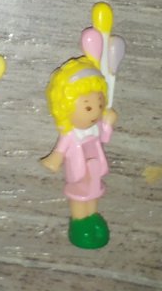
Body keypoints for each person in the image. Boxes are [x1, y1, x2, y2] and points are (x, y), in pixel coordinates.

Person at [41, 54, 118, 250]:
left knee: (93, 194)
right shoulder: (70, 135)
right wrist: (54, 160)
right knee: (79, 197)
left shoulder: (95, 128)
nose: (96, 112)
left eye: (99, 105)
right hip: (77, 174)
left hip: (95, 171)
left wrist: (108, 123)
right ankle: (79, 221)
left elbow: (104, 138)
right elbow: (59, 152)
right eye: (88, 107)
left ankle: (92, 216)